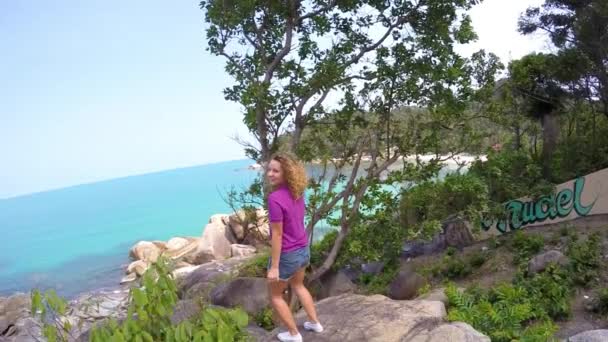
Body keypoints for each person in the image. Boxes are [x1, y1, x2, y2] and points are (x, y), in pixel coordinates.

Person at [265, 153, 323, 342]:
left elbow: (278, 234)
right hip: (303, 249)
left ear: (286, 173)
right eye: (269, 170)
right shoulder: (298, 191)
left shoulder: (275, 198)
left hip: (287, 254)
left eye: (275, 170)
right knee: (298, 285)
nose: (270, 174)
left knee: (275, 296)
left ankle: (293, 334)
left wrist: (274, 266)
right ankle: (315, 323)